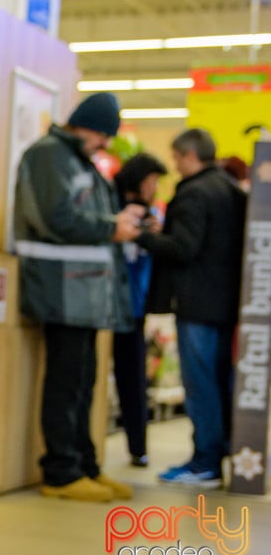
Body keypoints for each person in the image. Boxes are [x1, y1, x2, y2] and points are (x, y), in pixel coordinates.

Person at [12, 91, 144, 502]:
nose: (106, 145)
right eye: (104, 136)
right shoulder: (50, 155)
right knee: (67, 381)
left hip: (81, 291)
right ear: (88, 126)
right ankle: (61, 472)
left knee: (84, 381)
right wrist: (111, 227)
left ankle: (84, 463)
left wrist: (115, 223)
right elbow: (56, 218)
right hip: (60, 289)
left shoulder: (75, 158)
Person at [136, 128, 247, 488]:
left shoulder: (195, 192)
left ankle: (205, 463)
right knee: (219, 381)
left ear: (189, 156)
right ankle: (219, 454)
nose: (175, 165)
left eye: (177, 158)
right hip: (227, 304)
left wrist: (145, 236)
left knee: (200, 385)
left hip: (197, 304)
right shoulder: (230, 188)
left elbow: (184, 247)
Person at [111, 152, 168, 468]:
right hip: (109, 307)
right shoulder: (111, 205)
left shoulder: (150, 216)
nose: (154, 188)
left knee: (134, 379)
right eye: (152, 181)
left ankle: (138, 447)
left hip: (135, 308)